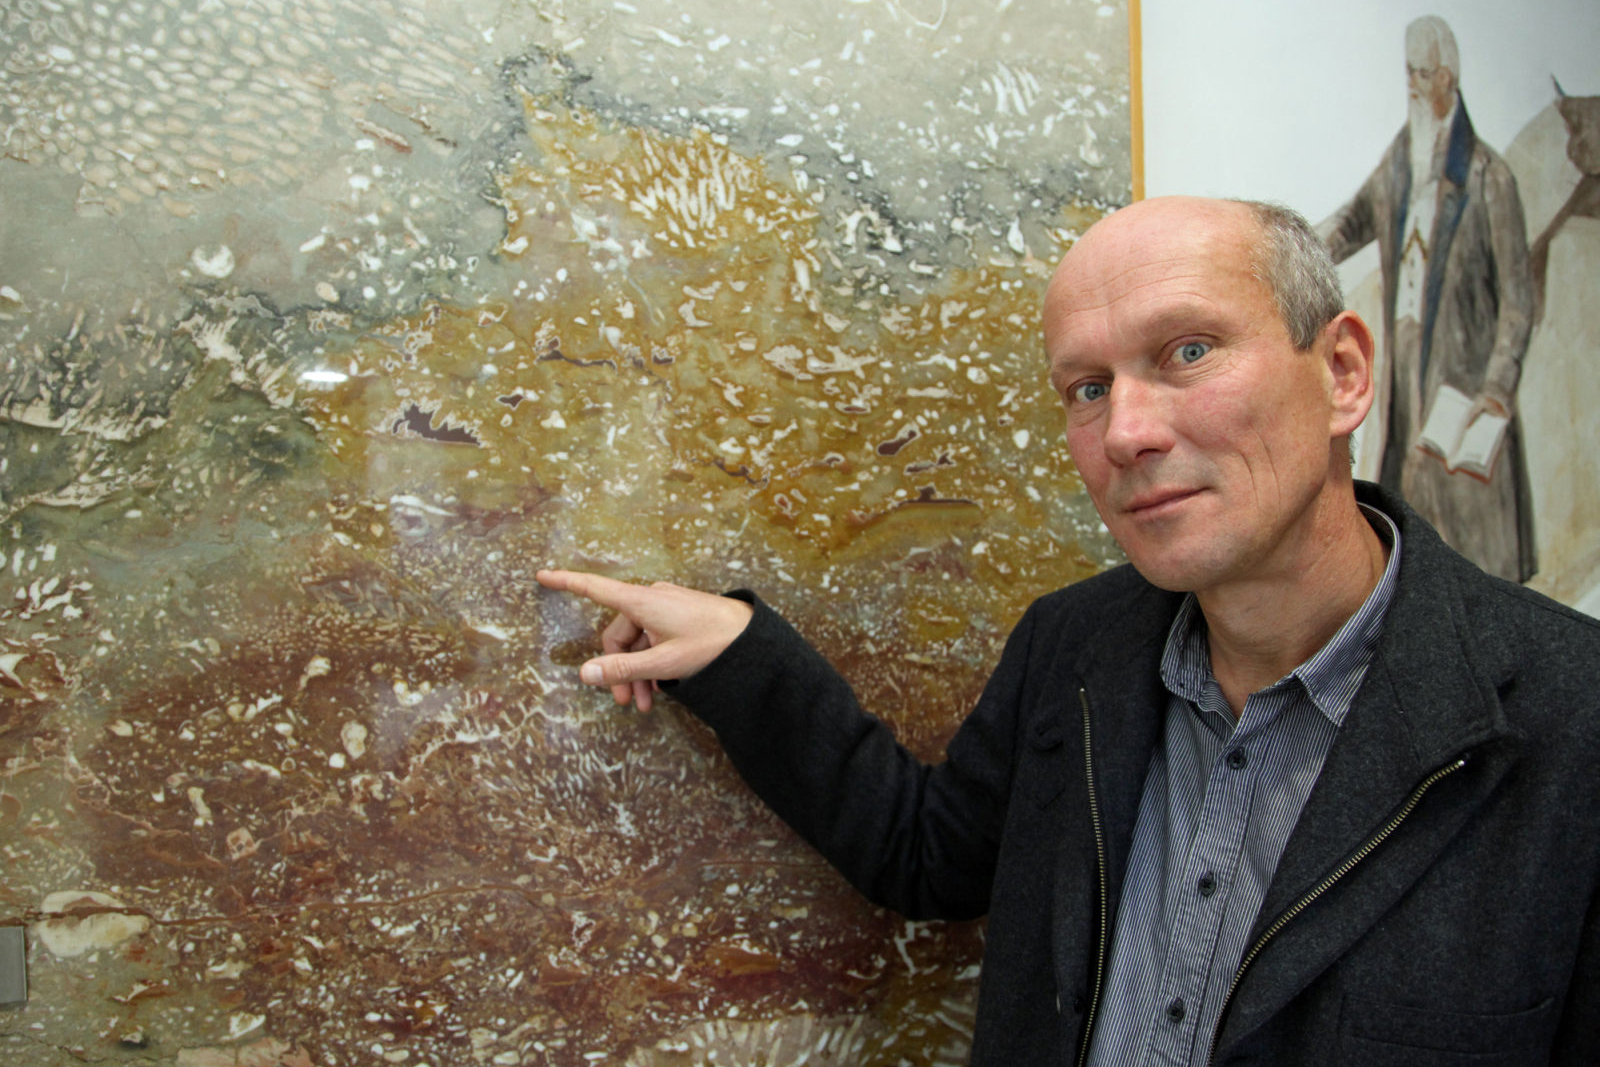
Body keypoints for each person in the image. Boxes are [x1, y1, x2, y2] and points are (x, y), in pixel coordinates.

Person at [537, 196, 1600, 1065]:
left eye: (1187, 350)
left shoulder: (1571, 721)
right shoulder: (1076, 646)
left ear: (1343, 372)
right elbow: (930, 854)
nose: (1125, 431)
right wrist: (739, 652)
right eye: (1087, 388)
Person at [1318, 15, 1537, 583]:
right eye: (1406, 73)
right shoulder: (1401, 159)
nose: (1411, 85)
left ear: (1447, 78)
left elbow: (1518, 300)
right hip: (1407, 379)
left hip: (1463, 387)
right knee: (1413, 545)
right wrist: (1284, 256)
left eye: (1421, 73)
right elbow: (1351, 222)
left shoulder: (1489, 177)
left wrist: (1497, 389)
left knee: (1475, 554)